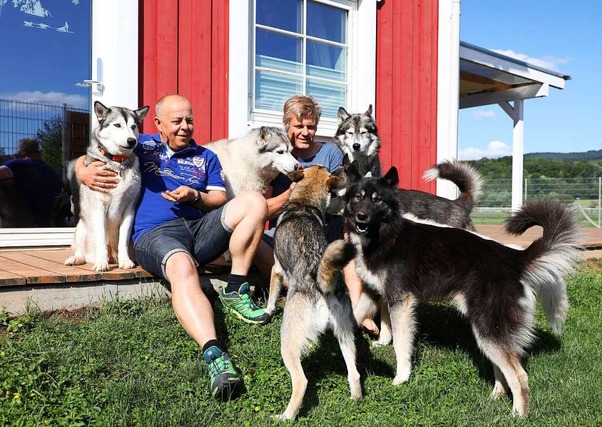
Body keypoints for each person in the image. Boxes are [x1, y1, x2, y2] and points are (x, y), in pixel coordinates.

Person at [75, 94, 269, 399]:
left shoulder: (206, 156)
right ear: (158, 124)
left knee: (255, 201)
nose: (184, 127)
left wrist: (195, 195)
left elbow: (218, 198)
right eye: (176, 121)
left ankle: (235, 286)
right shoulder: (140, 143)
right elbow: (99, 148)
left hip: (199, 226)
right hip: (155, 232)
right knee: (182, 266)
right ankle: (215, 355)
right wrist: (81, 170)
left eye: (189, 120)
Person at [252, 95, 379, 335]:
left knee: (348, 235)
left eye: (311, 126)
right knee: (255, 242)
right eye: (299, 125)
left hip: (324, 231)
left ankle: (357, 311)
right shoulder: (275, 156)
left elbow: (340, 198)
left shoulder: (330, 154)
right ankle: (311, 293)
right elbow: (264, 207)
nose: (305, 132)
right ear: (286, 124)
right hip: (287, 236)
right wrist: (292, 193)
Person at [0, 138, 64, 227]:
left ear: (19, 153)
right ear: (38, 152)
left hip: (20, 225)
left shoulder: (17, 165)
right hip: (46, 225)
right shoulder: (52, 172)